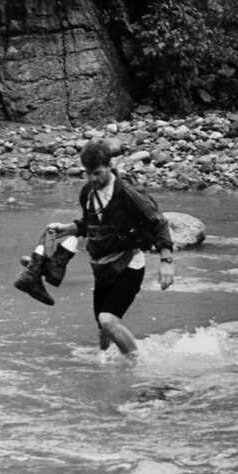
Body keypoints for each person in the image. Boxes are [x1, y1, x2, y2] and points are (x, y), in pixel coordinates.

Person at [45, 141, 174, 356]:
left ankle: (139, 366)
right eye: (88, 174)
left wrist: (166, 261)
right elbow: (90, 223)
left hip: (128, 265)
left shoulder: (128, 194)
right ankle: (106, 372)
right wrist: (69, 229)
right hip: (102, 268)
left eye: (97, 173)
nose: (93, 179)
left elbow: (159, 223)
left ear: (109, 166)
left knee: (108, 320)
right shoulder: (87, 192)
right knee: (103, 330)